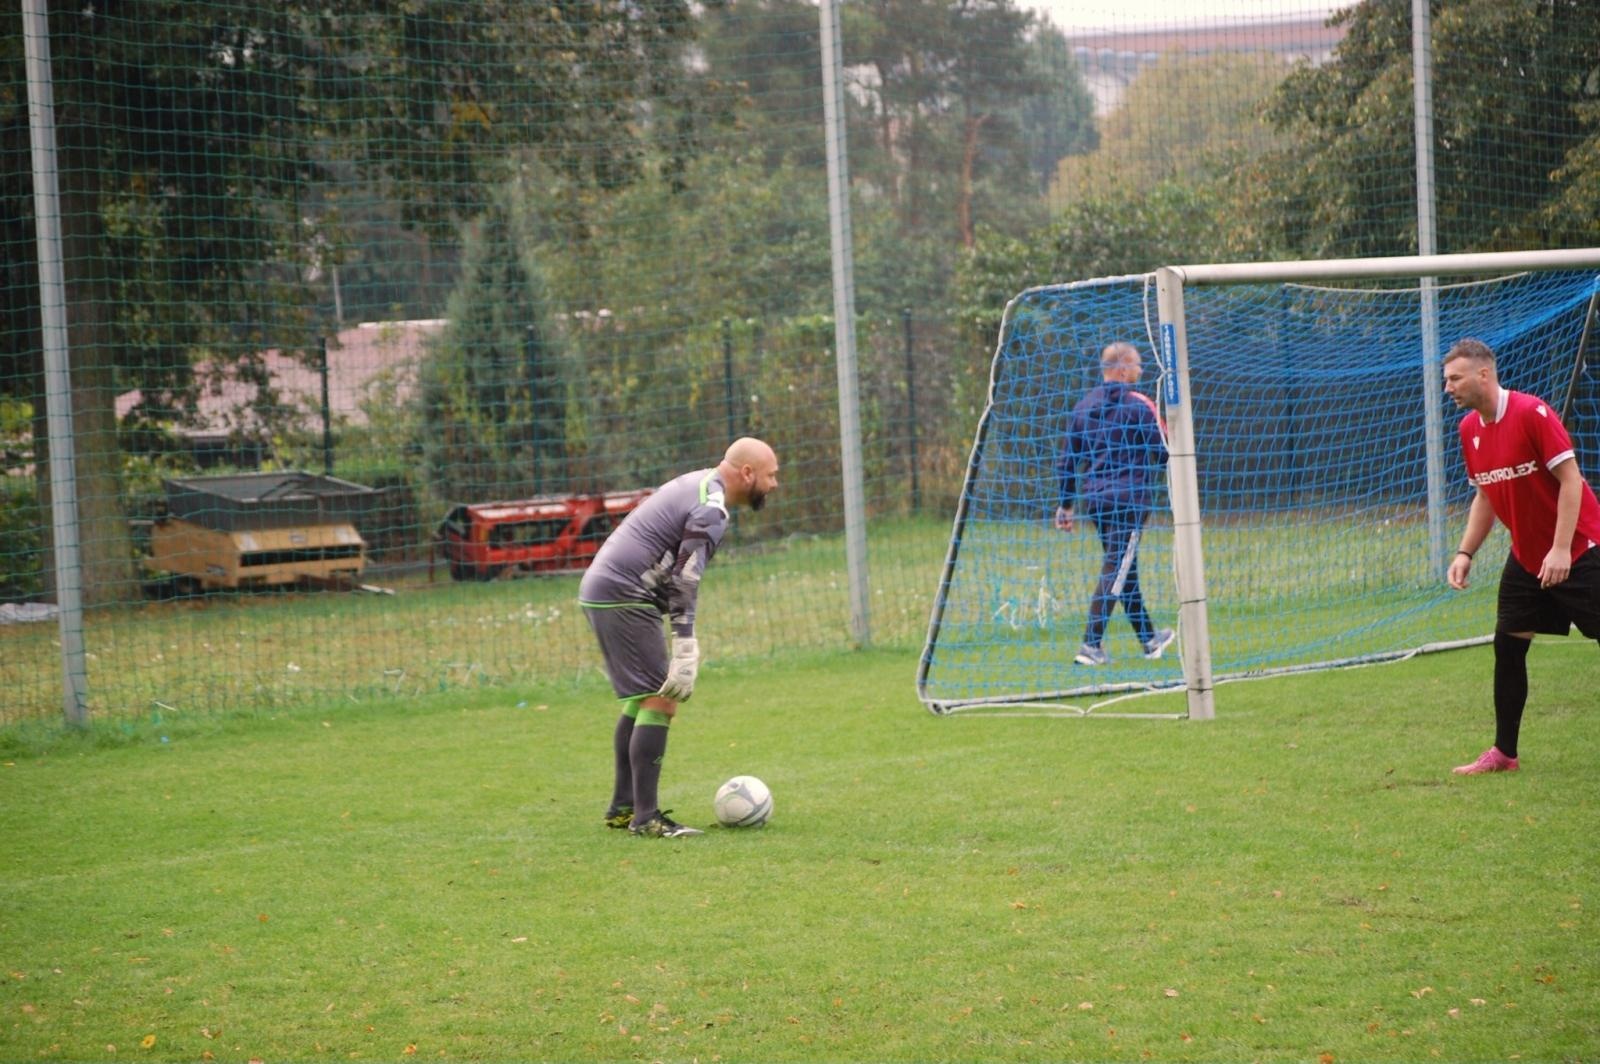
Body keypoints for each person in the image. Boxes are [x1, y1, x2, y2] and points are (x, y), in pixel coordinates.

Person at [578, 437, 780, 836]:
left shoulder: (701, 483)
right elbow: (685, 580)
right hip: (624, 594)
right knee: (661, 700)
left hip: (607, 590)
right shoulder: (711, 508)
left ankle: (624, 807)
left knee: (642, 700)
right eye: (771, 475)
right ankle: (646, 818)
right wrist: (685, 646)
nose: (774, 484)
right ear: (747, 473)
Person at [1442, 338, 1600, 775]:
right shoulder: (1468, 430)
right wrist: (1465, 552)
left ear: (1483, 375)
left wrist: (1562, 549)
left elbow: (1572, 483)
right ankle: (1503, 754)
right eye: (1446, 380)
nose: (1448, 387)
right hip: (1529, 558)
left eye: (1454, 378)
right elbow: (1486, 498)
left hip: (1581, 548)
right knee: (1508, 646)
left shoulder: (1532, 413)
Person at [1055, 341, 1176, 666]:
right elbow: (1165, 452)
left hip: (1095, 500)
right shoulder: (1140, 405)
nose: (1141, 370)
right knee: (1116, 568)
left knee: (1124, 568)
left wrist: (1066, 505)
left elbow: (1068, 462)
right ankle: (1090, 646)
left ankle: (1150, 639)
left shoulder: (1083, 406)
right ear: (1122, 368)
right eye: (1137, 365)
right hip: (1130, 501)